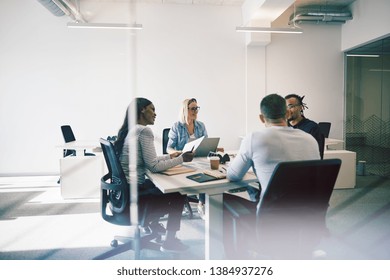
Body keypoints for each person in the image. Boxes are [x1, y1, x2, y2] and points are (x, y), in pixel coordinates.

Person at [224, 93, 320, 256]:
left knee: (221, 200)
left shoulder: (254, 138)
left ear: (262, 118)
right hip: (306, 218)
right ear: (287, 114)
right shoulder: (310, 140)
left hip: (271, 219)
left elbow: (233, 176)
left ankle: (237, 262)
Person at [114, 97, 194, 253]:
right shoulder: (143, 130)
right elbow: (154, 166)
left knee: (156, 185)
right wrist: (181, 159)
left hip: (121, 196)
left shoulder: (131, 130)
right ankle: (170, 241)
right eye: (152, 109)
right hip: (134, 197)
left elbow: (148, 160)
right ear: (142, 110)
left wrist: (170, 157)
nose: (155, 114)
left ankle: (151, 224)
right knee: (178, 192)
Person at [167, 98, 223, 219]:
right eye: (193, 108)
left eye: (197, 108)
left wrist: (215, 148)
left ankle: (202, 203)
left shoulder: (200, 126)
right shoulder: (176, 126)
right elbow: (169, 148)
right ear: (185, 110)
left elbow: (206, 143)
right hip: (183, 161)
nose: (196, 111)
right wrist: (179, 152)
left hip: (200, 159)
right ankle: (200, 202)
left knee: (210, 173)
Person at [285, 94, 325, 159]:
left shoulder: (312, 128)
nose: (287, 110)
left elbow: (318, 157)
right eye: (285, 107)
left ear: (301, 107)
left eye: (290, 106)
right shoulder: (283, 128)